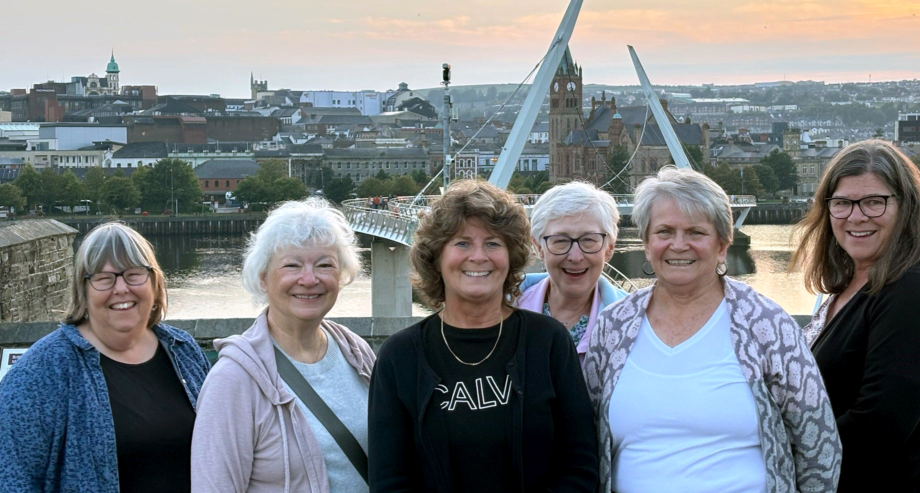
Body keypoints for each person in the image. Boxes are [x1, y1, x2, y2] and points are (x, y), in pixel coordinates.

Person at [583, 166, 841, 493]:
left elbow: (818, 444)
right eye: (664, 232)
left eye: (695, 232)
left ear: (722, 245)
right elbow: (587, 437)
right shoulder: (612, 326)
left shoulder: (767, 324)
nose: (679, 245)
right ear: (647, 244)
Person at [368, 179, 599, 493]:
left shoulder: (547, 342)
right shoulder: (401, 355)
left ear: (511, 257)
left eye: (493, 243)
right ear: (436, 257)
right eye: (462, 243)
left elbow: (579, 463)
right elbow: (390, 480)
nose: (479, 256)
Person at [792, 139, 920, 492]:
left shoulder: (917, 289)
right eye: (842, 203)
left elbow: (879, 424)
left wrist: (778, 454)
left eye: (874, 202)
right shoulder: (853, 285)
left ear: (906, 207)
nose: (856, 216)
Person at [0, 222, 210, 493]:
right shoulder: (40, 373)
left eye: (134, 274)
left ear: (155, 284)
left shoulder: (183, 350)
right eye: (103, 278)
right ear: (83, 291)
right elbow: (12, 478)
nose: (121, 288)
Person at [192, 197, 375, 493]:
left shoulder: (355, 352)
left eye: (324, 264)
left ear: (340, 275)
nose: (309, 278)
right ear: (263, 278)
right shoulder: (233, 380)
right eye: (292, 265)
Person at [518, 181, 627, 364]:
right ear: (539, 248)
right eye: (560, 241)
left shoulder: (633, 321)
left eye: (589, 240)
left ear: (609, 249)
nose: (575, 257)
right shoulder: (505, 310)